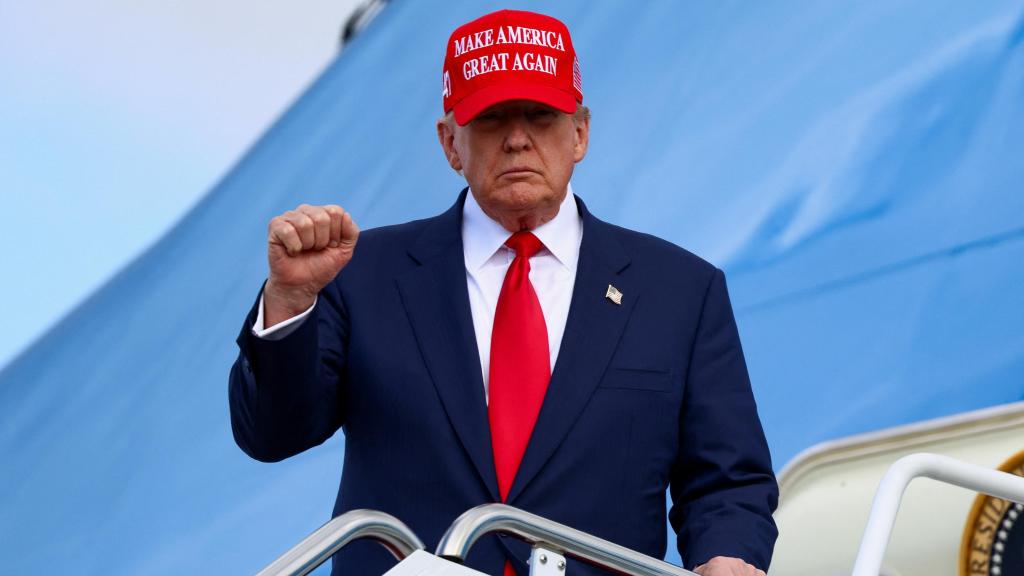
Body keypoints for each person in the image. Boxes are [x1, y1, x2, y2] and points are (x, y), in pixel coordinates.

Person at [229, 9, 778, 576]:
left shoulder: (680, 292)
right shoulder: (361, 273)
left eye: (540, 116)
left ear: (581, 133)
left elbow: (727, 481)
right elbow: (272, 435)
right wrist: (291, 302)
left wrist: (728, 558)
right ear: (450, 144)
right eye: (492, 119)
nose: (518, 139)